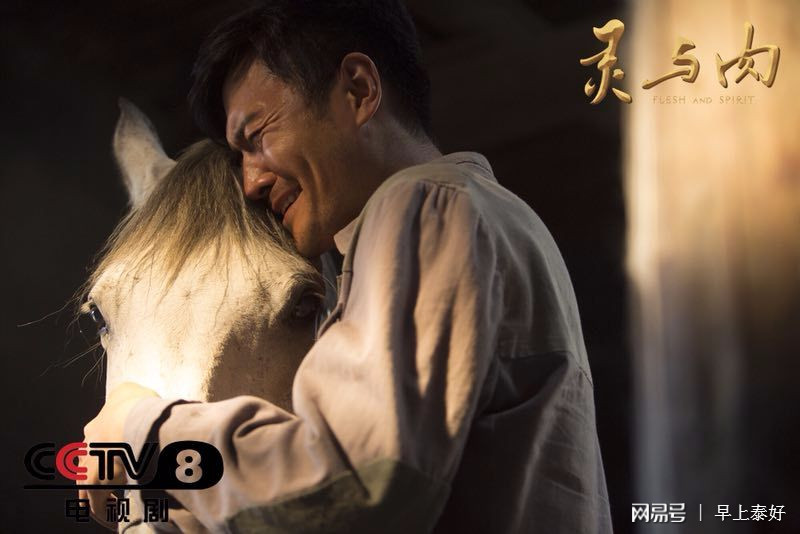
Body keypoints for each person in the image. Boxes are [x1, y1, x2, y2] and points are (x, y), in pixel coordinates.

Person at [80, 1, 613, 532]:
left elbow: (358, 482)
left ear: (358, 90)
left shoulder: (423, 206)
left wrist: (141, 429)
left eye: (258, 136)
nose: (252, 182)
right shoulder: (490, 216)